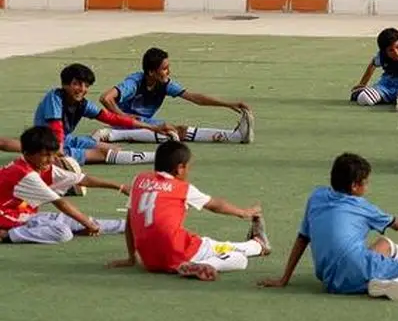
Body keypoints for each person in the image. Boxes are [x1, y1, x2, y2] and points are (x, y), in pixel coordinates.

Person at [259, 151, 398, 303]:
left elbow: (302, 238)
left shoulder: (316, 196)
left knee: (383, 244)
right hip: (358, 268)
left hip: (330, 281)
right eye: (366, 183)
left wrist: (284, 278)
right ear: (354, 186)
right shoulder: (360, 206)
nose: (367, 187)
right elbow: (397, 223)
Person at [107, 140, 269, 281]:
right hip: (179, 252)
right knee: (239, 258)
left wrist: (131, 257)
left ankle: (252, 245)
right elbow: (215, 205)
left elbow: (130, 220)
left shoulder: (139, 180)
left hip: (150, 260)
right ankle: (257, 246)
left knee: (211, 246)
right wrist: (244, 212)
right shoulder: (182, 188)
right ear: (180, 168)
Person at [3, 63, 164, 167]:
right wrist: (57, 154)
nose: (82, 89)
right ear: (65, 84)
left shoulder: (83, 104)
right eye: (77, 84)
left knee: (114, 149)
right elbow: (56, 128)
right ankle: (161, 158)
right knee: (105, 154)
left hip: (65, 140)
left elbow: (111, 118)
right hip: (50, 144)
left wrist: (151, 127)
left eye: (86, 85)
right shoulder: (55, 97)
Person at [0, 126, 128, 244]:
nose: (51, 160)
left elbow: (83, 179)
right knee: (63, 232)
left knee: (75, 221)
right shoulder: (25, 174)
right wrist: (88, 224)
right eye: (46, 155)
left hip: (23, 214)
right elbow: (61, 203)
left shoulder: (42, 166)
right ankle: (7, 235)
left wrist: (120, 186)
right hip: (7, 219)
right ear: (27, 154)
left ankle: (129, 225)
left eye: (53, 155)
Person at [99, 48, 253, 144]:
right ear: (151, 72)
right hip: (126, 124)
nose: (169, 72)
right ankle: (115, 134)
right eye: (165, 69)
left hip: (145, 123)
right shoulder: (134, 83)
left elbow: (195, 98)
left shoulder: (165, 84)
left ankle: (234, 137)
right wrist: (124, 117)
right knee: (173, 132)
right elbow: (105, 98)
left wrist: (228, 104)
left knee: (178, 131)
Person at [349, 28, 398, 112]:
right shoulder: (381, 56)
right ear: (384, 51)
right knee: (363, 99)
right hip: (385, 87)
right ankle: (368, 93)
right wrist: (362, 83)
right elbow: (372, 65)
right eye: (391, 50)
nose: (396, 52)